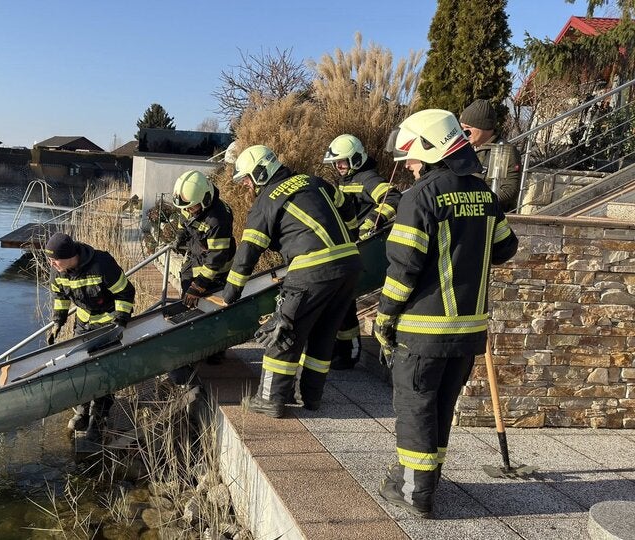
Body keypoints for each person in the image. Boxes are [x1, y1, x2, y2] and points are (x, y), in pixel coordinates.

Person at [374, 109, 518, 517]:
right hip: (468, 332)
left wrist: (384, 316)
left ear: (430, 149)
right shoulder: (485, 195)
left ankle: (414, 492)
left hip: (424, 331)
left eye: (413, 157)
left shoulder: (420, 197)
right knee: (440, 406)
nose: (409, 165)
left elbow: (403, 268)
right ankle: (426, 478)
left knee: (416, 405)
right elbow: (506, 247)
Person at [221, 145, 362, 418]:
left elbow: (248, 251)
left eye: (248, 179)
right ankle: (311, 396)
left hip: (312, 270)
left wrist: (230, 293)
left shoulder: (266, 201)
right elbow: (347, 206)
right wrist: (352, 234)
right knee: (324, 335)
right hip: (349, 265)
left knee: (282, 333)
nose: (247, 186)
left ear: (261, 173)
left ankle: (271, 399)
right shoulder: (314, 181)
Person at [44, 232, 136, 438]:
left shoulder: (102, 263)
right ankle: (82, 411)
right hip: (83, 327)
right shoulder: (58, 272)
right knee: (82, 369)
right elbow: (60, 297)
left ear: (69, 256)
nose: (51, 264)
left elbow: (125, 292)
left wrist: (120, 322)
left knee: (105, 371)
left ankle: (99, 416)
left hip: (108, 327)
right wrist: (58, 323)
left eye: (54, 259)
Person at [322, 134, 402, 370]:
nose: (339, 167)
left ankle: (349, 353)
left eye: (343, 162)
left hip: (362, 248)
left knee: (345, 302)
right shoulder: (346, 180)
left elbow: (393, 198)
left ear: (356, 158)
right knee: (340, 302)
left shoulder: (368, 178)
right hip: (348, 248)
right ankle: (341, 350)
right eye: (336, 163)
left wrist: (371, 222)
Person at [167, 170, 237, 385]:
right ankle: (192, 346)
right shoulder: (191, 203)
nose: (188, 210)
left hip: (216, 267)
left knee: (213, 309)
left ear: (206, 199)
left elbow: (217, 257)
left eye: (192, 207)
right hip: (195, 257)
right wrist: (180, 237)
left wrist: (200, 285)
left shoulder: (218, 218)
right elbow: (184, 220)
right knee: (188, 302)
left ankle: (215, 350)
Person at [459, 99, 522, 212]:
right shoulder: (465, 148)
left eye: (468, 128)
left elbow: (509, 191)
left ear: (484, 127)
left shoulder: (503, 151)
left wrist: (473, 203)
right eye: (462, 128)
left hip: (490, 217)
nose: (464, 132)